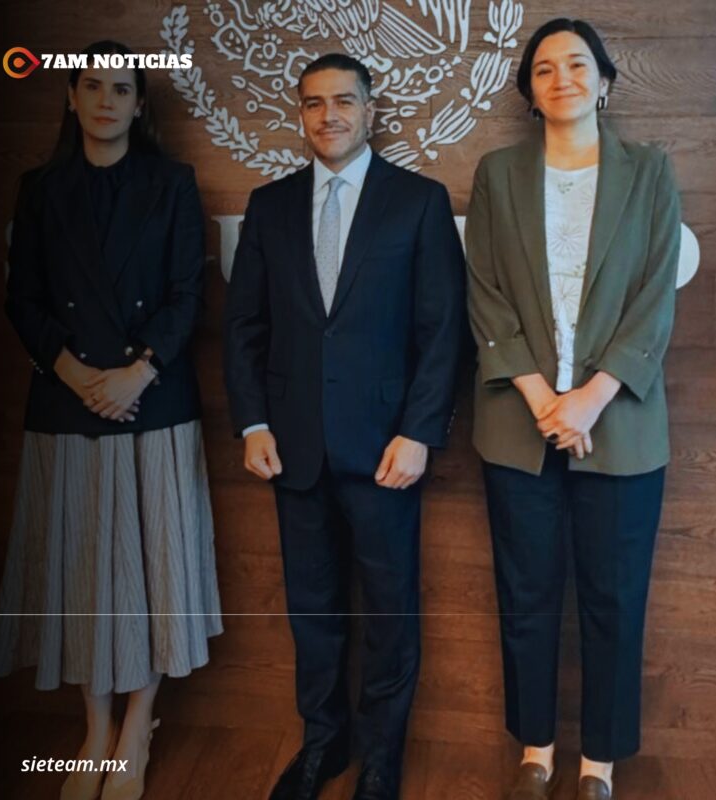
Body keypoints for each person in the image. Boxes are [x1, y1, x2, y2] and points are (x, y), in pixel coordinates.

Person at [225, 52, 464, 800]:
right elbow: (244, 327)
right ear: (300, 114)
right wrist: (252, 422)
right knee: (314, 612)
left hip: (388, 448)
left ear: (370, 110)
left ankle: (383, 758)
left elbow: (443, 330)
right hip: (292, 450)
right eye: (313, 103)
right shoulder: (269, 206)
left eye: (343, 101)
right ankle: (323, 745)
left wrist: (419, 432)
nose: (328, 115)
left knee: (390, 615)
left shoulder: (418, 201)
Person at [0, 40, 222, 800]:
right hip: (69, 402)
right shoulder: (39, 188)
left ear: (140, 104)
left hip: (152, 400)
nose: (105, 100)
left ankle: (137, 727)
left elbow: (188, 295)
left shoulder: (172, 183)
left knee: (153, 569)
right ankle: (93, 729)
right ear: (70, 97)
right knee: (84, 570)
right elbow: (23, 297)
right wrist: (73, 372)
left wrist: (136, 373)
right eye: (91, 86)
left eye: (121, 89)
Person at [465, 18, 681, 800]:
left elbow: (654, 299)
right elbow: (485, 294)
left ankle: (599, 763)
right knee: (526, 597)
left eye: (579, 64)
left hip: (619, 425)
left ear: (606, 82)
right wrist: (542, 398)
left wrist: (589, 399)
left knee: (613, 600)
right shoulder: (498, 174)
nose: (564, 79)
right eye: (546, 68)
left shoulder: (649, 172)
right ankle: (536, 749)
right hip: (517, 425)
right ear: (530, 91)